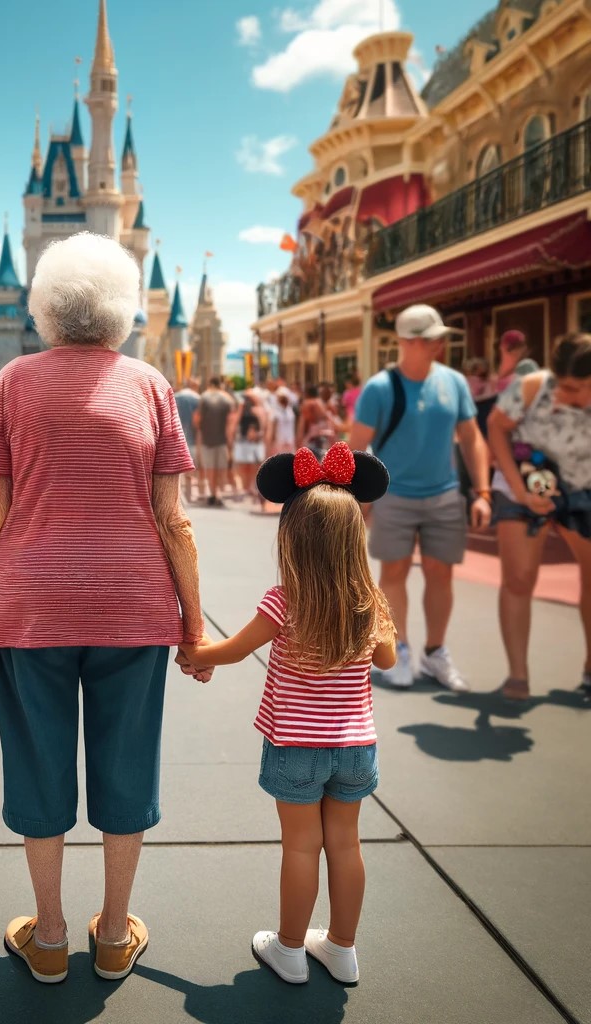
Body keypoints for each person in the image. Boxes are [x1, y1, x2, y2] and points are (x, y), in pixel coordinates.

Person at [0, 233, 206, 985]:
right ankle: (113, 931)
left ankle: (52, 935)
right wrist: (194, 625)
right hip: (133, 606)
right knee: (127, 765)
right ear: (123, 308)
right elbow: (174, 519)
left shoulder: (12, 384)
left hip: (28, 607)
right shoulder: (151, 385)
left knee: (38, 765)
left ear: (44, 310)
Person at [180, 442, 396, 986]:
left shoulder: (286, 598)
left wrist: (194, 655)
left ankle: (291, 950)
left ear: (291, 537)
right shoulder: (369, 598)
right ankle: (343, 948)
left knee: (301, 846)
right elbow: (387, 658)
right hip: (355, 746)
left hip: (297, 745)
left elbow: (232, 650)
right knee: (345, 844)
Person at [348, 304, 492, 693]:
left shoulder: (454, 382)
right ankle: (400, 652)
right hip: (393, 496)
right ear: (406, 342)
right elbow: (356, 445)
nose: (438, 345)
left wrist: (482, 492)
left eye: (439, 339)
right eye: (430, 339)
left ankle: (435, 652)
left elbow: (472, 437)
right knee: (392, 574)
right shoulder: (379, 388)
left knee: (440, 573)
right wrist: (353, 501)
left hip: (444, 495)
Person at [486, 333, 591, 699]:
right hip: (523, 477)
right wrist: (518, 490)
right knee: (518, 578)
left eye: (577, 388)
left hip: (581, 484)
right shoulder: (531, 387)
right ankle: (518, 674)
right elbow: (496, 427)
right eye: (561, 385)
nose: (566, 395)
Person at [194, 376, 236, 506]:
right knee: (221, 469)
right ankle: (218, 494)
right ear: (220, 385)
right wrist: (230, 442)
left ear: (210, 384)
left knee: (210, 468)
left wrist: (200, 433)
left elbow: (197, 419)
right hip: (222, 440)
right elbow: (231, 422)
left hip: (207, 439)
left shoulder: (204, 397)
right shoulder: (227, 399)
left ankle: (212, 494)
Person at [233, 391, 265, 504]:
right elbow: (236, 423)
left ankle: (251, 487)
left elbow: (263, 425)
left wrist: (259, 434)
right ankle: (246, 487)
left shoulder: (258, 410)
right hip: (243, 441)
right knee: (243, 466)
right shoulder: (241, 410)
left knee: (253, 466)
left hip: (253, 442)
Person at [174, 378, 200, 503]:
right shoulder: (197, 399)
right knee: (190, 470)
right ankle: (188, 496)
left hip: (176, 438)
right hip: (192, 439)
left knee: (178, 472)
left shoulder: (176, 397)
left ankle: (180, 497)